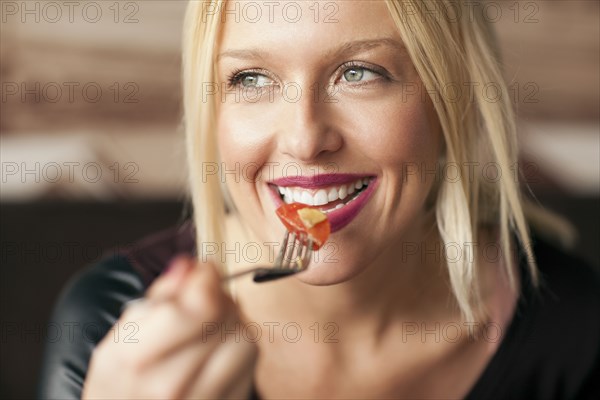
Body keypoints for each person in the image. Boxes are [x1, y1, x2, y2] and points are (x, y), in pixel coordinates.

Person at [38, 1, 600, 399]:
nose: (306, 139)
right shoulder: (112, 322)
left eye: (360, 72)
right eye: (252, 78)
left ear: (453, 100)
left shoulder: (575, 329)